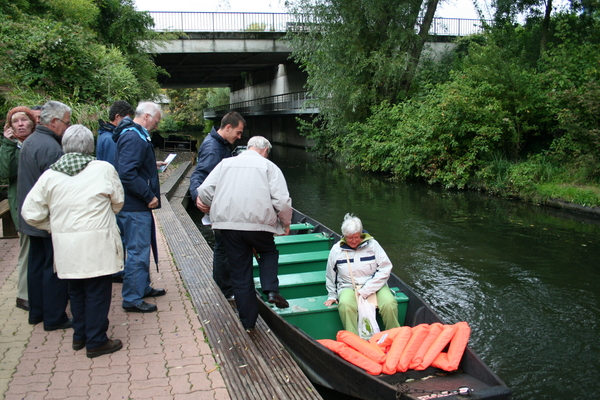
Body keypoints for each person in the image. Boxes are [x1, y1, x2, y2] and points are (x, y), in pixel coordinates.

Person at [21, 125, 124, 358]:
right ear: (91, 146)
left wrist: (53, 227)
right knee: (97, 291)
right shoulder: (103, 169)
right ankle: (97, 341)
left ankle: (80, 336)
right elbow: (118, 202)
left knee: (76, 290)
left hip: (67, 248)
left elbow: (30, 213)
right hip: (98, 243)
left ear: (64, 145)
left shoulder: (50, 175)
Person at [198, 135, 293, 330]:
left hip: (229, 227)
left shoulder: (225, 163)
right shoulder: (269, 167)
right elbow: (282, 201)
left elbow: (205, 190)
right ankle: (272, 290)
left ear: (248, 147)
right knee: (268, 252)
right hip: (259, 225)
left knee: (240, 275)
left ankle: (248, 323)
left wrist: (211, 205)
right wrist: (286, 223)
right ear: (265, 150)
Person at [16, 100, 71, 331]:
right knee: (53, 268)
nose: (67, 128)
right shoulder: (51, 148)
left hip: (31, 217)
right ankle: (54, 317)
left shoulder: (31, 141)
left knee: (36, 266)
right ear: (55, 122)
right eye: (66, 123)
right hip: (46, 220)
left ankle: (36, 312)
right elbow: (56, 189)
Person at [114, 101, 166, 313]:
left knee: (142, 248)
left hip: (135, 205)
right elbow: (126, 173)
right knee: (137, 250)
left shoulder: (134, 135)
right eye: (156, 120)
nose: (156, 125)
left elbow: (132, 166)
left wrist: (150, 166)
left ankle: (141, 286)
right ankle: (132, 298)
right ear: (146, 116)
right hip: (135, 206)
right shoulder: (134, 136)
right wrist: (148, 195)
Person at [189, 111, 246, 300]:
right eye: (237, 132)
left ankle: (225, 287)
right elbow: (201, 174)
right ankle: (226, 290)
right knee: (223, 247)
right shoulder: (214, 148)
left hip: (219, 204)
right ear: (227, 127)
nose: (239, 137)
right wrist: (197, 194)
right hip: (218, 207)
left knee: (224, 246)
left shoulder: (218, 144)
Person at [324, 214, 401, 335]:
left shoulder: (373, 245)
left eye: (356, 237)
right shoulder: (336, 250)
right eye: (350, 238)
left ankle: (395, 336)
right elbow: (330, 274)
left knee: (389, 304)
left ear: (361, 234)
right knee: (345, 306)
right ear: (344, 236)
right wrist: (332, 295)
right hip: (347, 286)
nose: (354, 241)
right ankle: (353, 339)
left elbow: (385, 268)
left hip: (375, 285)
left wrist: (367, 289)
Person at [0, 106, 36, 311]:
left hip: (39, 202)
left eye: (24, 120)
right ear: (10, 126)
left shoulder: (37, 142)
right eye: (15, 121)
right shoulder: (10, 146)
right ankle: (24, 295)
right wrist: (7, 144)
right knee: (26, 247)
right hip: (21, 204)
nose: (20, 124)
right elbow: (6, 172)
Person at [96, 100, 134, 165]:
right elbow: (114, 166)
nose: (130, 122)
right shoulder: (111, 139)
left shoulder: (104, 134)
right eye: (127, 119)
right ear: (117, 117)